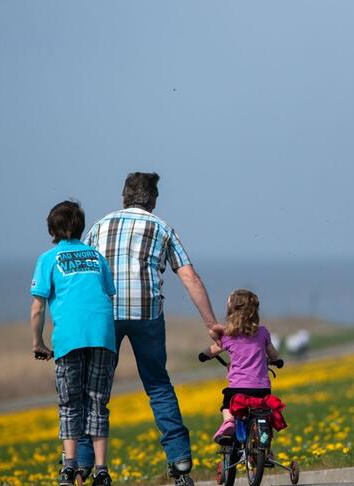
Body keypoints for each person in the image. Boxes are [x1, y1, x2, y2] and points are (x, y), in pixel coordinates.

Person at [78, 172, 225, 486]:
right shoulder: (162, 228)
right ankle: (180, 463)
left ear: (123, 197)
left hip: (106, 315)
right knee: (158, 386)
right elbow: (190, 278)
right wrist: (212, 324)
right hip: (147, 314)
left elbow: (83, 277)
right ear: (153, 200)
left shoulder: (99, 226)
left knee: (95, 391)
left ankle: (82, 464)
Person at [30, 201, 117, 486]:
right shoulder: (96, 256)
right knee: (97, 403)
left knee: (70, 403)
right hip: (103, 336)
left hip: (69, 338)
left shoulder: (49, 258)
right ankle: (101, 470)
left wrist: (38, 342)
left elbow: (38, 307)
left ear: (51, 229)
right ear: (80, 226)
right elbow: (106, 294)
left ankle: (69, 467)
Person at [199, 289, 281, 446]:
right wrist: (276, 361)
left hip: (238, 389)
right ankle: (265, 447)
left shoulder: (228, 336)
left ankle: (228, 421)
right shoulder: (262, 333)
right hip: (262, 389)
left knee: (226, 403)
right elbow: (273, 355)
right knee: (264, 413)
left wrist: (204, 356)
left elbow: (211, 351)